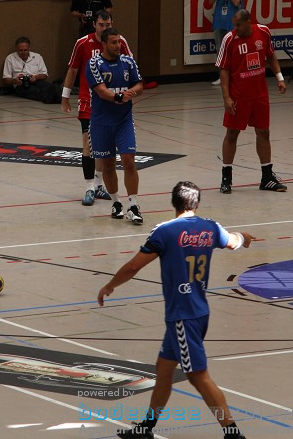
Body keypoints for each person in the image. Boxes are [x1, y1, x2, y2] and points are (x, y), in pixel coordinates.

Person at [97, 181, 253, 439]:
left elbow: (134, 266)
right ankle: (146, 428)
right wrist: (245, 238)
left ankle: (233, 433)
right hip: (199, 311)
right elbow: (233, 241)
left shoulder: (164, 231)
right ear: (197, 203)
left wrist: (110, 285)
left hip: (183, 315)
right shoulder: (210, 227)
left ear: (173, 203)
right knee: (164, 369)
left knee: (198, 376)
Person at [61, 10, 132, 206]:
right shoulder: (83, 43)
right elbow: (73, 69)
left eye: (107, 25)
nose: (104, 28)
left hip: (112, 101)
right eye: (101, 25)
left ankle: (99, 184)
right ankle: (89, 187)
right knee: (88, 145)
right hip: (89, 101)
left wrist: (128, 93)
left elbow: (130, 67)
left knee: (104, 147)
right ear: (95, 25)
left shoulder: (120, 42)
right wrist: (65, 95)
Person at [216, 9, 287, 193]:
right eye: (234, 25)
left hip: (259, 95)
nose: (235, 28)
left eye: (238, 24)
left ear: (248, 22)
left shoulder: (263, 32)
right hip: (238, 96)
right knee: (232, 134)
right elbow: (223, 69)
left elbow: (270, 55)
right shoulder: (229, 39)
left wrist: (279, 77)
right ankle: (226, 178)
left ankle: (267, 177)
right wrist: (226, 97)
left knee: (264, 133)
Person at [86, 27, 144, 224]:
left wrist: (131, 93)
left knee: (129, 161)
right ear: (104, 44)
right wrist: (119, 96)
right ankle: (116, 202)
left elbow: (139, 85)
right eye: (113, 42)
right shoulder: (94, 63)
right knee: (108, 165)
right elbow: (102, 91)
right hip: (101, 123)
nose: (118, 45)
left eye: (119, 42)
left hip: (123, 121)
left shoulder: (128, 62)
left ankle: (133, 205)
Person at [208, 0, 243, 86]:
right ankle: (222, 76)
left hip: (232, 22)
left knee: (234, 50)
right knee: (220, 50)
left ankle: (235, 76)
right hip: (219, 21)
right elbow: (210, 2)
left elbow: (236, 2)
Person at [1, 36, 59, 104]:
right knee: (33, 91)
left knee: (47, 86)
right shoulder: (10, 58)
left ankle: (53, 95)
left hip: (37, 80)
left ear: (29, 48)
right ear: (17, 49)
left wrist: (36, 77)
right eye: (21, 50)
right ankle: (49, 98)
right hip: (20, 84)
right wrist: (15, 81)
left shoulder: (37, 57)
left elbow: (45, 75)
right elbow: (6, 78)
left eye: (25, 50)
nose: (23, 52)